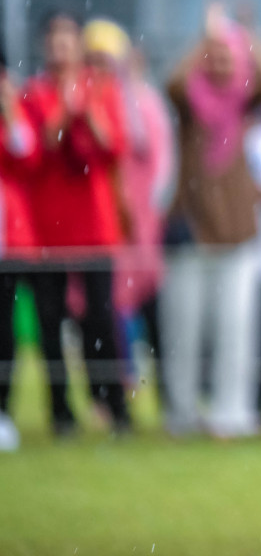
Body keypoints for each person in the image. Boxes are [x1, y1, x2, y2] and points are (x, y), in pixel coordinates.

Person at [161, 5, 261, 437]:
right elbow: (174, 80)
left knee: (236, 331)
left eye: (229, 56)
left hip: (237, 233)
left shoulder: (246, 100)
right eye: (215, 56)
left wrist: (246, 31)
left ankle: (233, 413)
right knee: (183, 332)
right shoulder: (188, 100)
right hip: (191, 231)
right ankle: (182, 413)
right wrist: (206, 37)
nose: (221, 62)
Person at [19, 7, 131, 434]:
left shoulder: (101, 89)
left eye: (68, 38)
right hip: (50, 225)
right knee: (51, 320)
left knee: (101, 319)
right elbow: (37, 148)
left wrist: (87, 108)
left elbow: (112, 147)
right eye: (54, 39)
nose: (60, 47)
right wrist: (65, 111)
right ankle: (61, 412)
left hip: (95, 227)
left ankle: (112, 406)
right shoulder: (35, 95)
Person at [83, 20, 175, 373]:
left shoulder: (144, 101)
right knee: (103, 306)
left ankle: (166, 392)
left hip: (141, 224)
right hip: (103, 221)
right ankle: (117, 388)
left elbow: (162, 160)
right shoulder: (87, 101)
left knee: (149, 302)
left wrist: (151, 208)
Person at [0, 46, 38, 451]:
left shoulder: (12, 110)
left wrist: (9, 107)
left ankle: (2, 409)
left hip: (7, 242)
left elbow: (26, 152)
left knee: (4, 330)